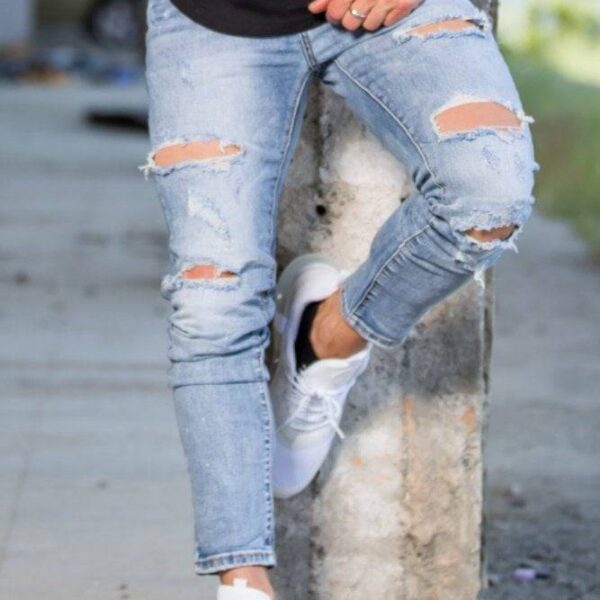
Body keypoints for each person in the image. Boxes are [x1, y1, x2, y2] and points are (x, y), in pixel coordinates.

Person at [142, 0, 537, 597]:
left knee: (487, 200)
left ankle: (324, 337)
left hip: (398, 15)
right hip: (214, 21)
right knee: (212, 301)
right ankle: (243, 581)